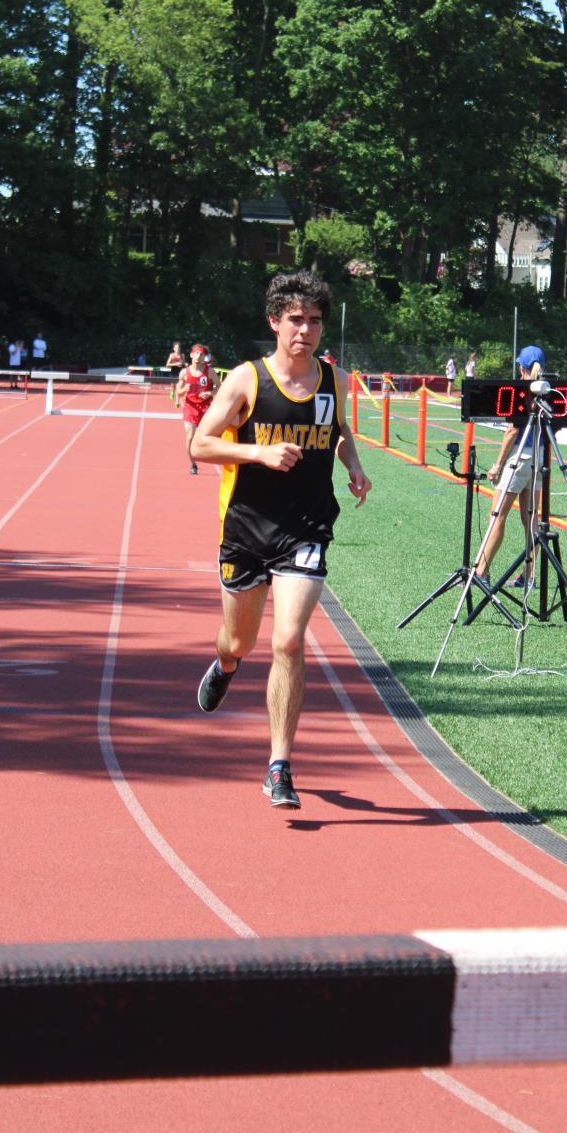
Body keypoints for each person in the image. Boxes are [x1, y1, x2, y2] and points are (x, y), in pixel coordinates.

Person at [189, 271, 371, 811]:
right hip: (246, 527)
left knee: (289, 641)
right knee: (239, 641)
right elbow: (200, 444)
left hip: (307, 528)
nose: (305, 331)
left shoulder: (335, 380)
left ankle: (279, 765)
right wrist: (258, 453)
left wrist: (354, 465)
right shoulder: (247, 380)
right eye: (295, 320)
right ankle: (225, 665)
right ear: (274, 322)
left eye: (314, 321)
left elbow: (340, 431)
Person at [474, 347, 546, 590]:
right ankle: (529, 575)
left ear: (521, 367)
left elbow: (512, 430)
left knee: (497, 515)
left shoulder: (521, 390)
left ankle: (482, 572)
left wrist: (498, 464)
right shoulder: (546, 390)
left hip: (520, 455)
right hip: (539, 454)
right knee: (530, 519)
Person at [176, 344, 219, 475]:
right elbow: (178, 391)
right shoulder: (184, 372)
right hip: (190, 407)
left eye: (201, 354)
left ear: (204, 357)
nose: (198, 356)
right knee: (190, 437)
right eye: (196, 353)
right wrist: (184, 389)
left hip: (206, 408)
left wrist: (210, 393)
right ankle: (193, 464)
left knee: (209, 436)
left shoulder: (209, 371)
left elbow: (219, 386)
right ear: (191, 355)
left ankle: (209, 456)